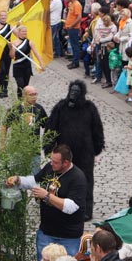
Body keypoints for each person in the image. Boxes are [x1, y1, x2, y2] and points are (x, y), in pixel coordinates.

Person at [6, 145, 86, 261]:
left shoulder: (78, 178)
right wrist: (19, 180)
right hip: (46, 233)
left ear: (66, 163)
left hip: (68, 237)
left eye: (55, 162)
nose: (51, 163)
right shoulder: (50, 168)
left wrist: (47, 196)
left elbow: (71, 207)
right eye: (51, 160)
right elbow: (35, 181)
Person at [44, 81, 104, 220]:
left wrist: (96, 149)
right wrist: (49, 148)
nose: (73, 94)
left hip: (85, 153)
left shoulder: (89, 108)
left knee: (86, 181)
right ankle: (60, 205)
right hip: (64, 153)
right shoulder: (61, 107)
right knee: (62, 180)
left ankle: (85, 210)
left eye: (76, 92)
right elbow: (51, 128)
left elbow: (97, 130)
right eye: (72, 91)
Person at [9, 25, 45, 99]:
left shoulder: (29, 42)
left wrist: (41, 63)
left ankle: (26, 101)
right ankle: (20, 102)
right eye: (23, 31)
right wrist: (11, 48)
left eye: (25, 31)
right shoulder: (14, 43)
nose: (25, 33)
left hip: (26, 66)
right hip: (18, 67)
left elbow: (36, 53)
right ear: (18, 32)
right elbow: (12, 56)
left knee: (26, 86)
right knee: (20, 85)